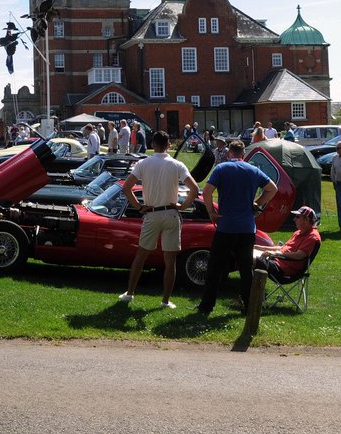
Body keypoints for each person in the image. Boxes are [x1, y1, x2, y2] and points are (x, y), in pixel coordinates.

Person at [117, 131, 199, 309]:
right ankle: (165, 301)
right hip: (171, 213)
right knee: (170, 262)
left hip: (151, 213)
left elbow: (127, 188)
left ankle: (129, 294)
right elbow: (194, 188)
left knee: (141, 257)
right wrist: (183, 206)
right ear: (169, 144)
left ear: (153, 144)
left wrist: (139, 208)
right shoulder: (177, 164)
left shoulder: (143, 163)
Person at [197, 139, 277, 315]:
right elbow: (272, 188)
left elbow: (208, 191)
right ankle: (248, 306)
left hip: (226, 226)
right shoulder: (253, 170)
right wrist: (258, 203)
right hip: (247, 227)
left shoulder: (222, 168)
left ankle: (206, 306)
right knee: (245, 269)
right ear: (243, 154)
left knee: (215, 267)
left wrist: (211, 211)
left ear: (229, 153)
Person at [254, 206, 322, 277]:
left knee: (249, 259)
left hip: (285, 269)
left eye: (297, 217)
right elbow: (282, 248)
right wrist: (258, 247)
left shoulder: (312, 237)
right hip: (277, 260)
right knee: (249, 252)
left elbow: (299, 255)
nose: (294, 219)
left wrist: (275, 254)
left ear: (306, 219)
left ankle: (248, 285)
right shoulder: (298, 232)